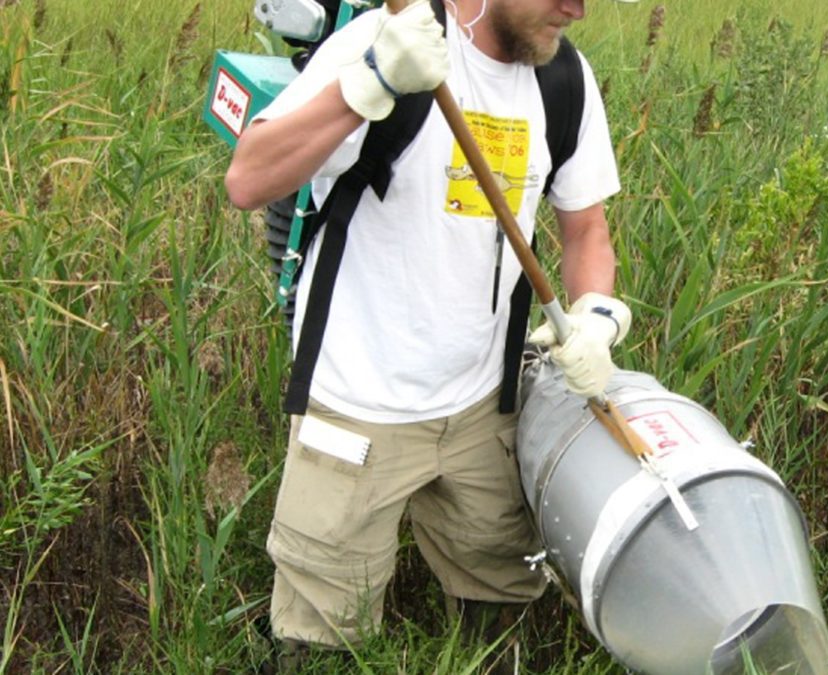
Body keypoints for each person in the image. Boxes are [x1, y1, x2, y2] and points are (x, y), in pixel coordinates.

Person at [224, 0, 632, 658]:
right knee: (319, 639)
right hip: (355, 405)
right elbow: (249, 178)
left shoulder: (563, 81)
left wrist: (596, 314)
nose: (576, 9)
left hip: (482, 411)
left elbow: (586, 231)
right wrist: (371, 83)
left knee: (500, 610)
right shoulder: (387, 40)